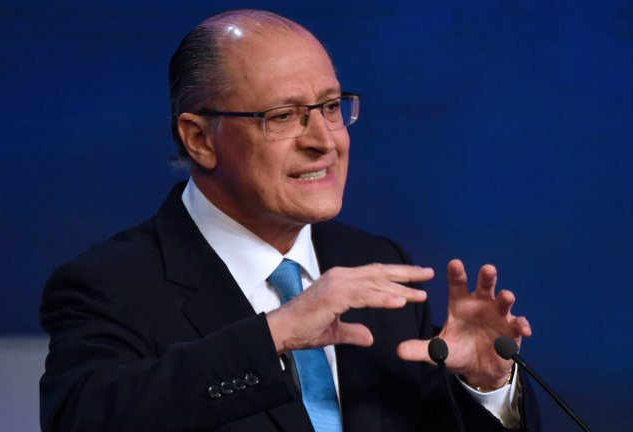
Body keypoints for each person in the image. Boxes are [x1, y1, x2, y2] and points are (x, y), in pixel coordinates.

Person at [40, 9, 538, 432]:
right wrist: (276, 333)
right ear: (200, 139)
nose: (324, 140)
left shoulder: (373, 265)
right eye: (282, 116)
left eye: (330, 107)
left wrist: (486, 385)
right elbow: (82, 419)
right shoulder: (111, 284)